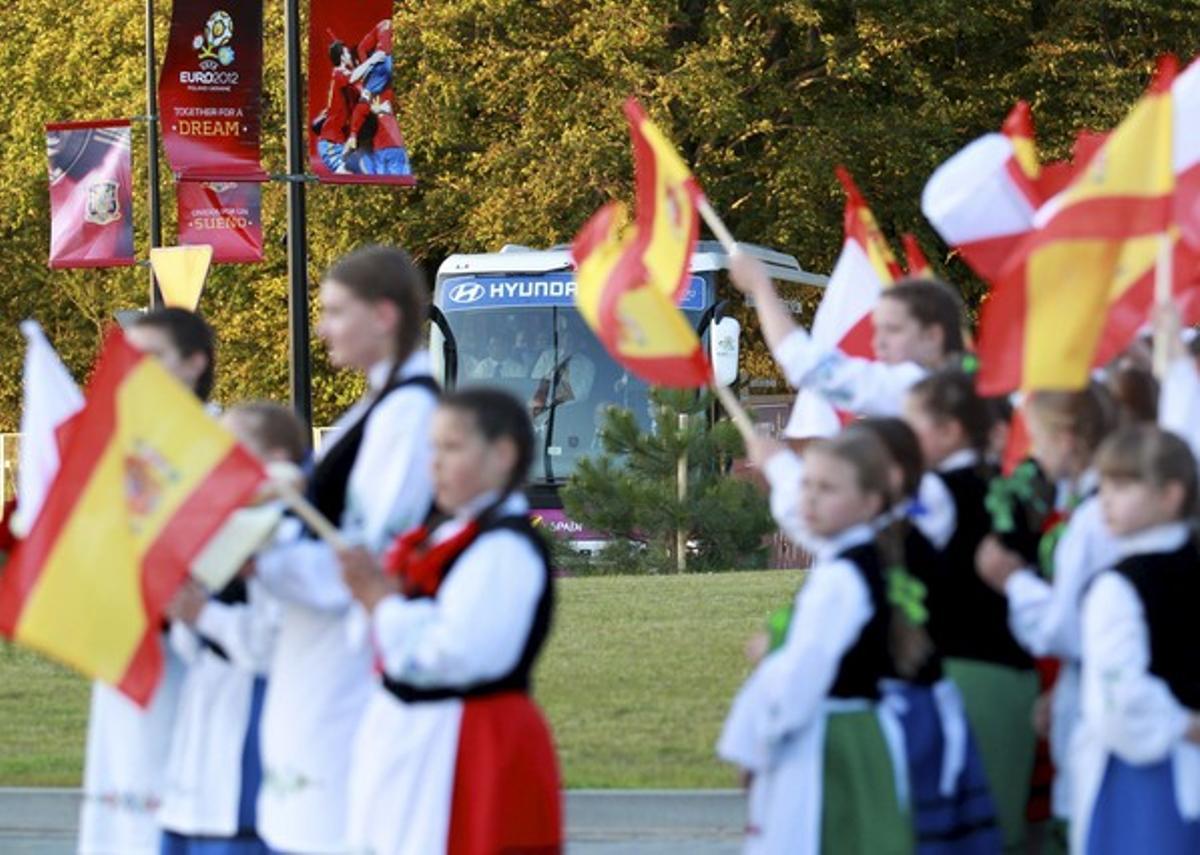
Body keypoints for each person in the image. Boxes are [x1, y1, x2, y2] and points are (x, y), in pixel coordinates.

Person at [251, 246, 438, 853]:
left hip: (350, 660)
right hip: (318, 652)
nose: (323, 328)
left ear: (383, 315)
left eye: (336, 311)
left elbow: (368, 559)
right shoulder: (377, 407)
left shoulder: (409, 415)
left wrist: (260, 559)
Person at [338, 388, 562, 854]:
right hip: (426, 741)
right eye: (432, 448)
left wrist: (383, 603)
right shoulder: (453, 535)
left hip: (467, 746)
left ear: (502, 454)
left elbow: (458, 652)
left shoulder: (504, 549)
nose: (434, 463)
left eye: (452, 447)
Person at [719, 429, 912, 855]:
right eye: (806, 484)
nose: (808, 498)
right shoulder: (860, 558)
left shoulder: (840, 579)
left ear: (871, 502)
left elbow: (803, 672)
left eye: (827, 489)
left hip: (829, 742)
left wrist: (760, 742)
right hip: (851, 731)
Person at [77, 308, 215, 855]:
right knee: (120, 805)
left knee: (172, 801)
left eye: (151, 358)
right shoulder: (124, 449)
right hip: (121, 647)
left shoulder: (219, 446)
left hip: (192, 657)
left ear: (194, 363)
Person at [158, 402, 308, 855]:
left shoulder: (290, 532)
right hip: (205, 714)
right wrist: (184, 610)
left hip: (251, 718)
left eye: (232, 447)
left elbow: (274, 642)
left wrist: (203, 615)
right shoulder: (222, 526)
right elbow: (190, 644)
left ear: (277, 460)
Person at [903, 369, 1037, 853]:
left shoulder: (934, 493)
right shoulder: (1011, 489)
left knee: (958, 829)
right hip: (1015, 676)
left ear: (950, 430)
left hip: (960, 676)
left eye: (912, 425)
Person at [975, 385, 1118, 839]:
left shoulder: (1091, 520)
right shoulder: (1091, 508)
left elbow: (1064, 628)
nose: (1034, 454)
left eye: (1038, 439)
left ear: (1067, 439)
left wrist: (1013, 582)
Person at [1074, 425, 1200, 854]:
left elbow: (1120, 696)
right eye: (1104, 486)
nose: (1105, 500)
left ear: (1170, 496)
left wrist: (1183, 725)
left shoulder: (1118, 588)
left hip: (1148, 778)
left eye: (1124, 486)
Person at [729, 251, 966, 422]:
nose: (878, 343)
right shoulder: (968, 384)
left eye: (893, 330)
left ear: (932, 336)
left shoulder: (914, 389)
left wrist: (760, 287)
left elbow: (805, 363)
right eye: (877, 330)